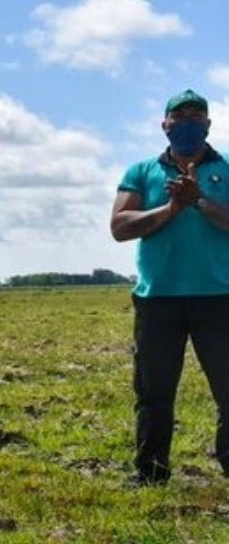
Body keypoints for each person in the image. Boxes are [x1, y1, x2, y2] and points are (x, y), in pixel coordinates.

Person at [111, 89, 229, 487]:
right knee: (154, 393)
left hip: (219, 298)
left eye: (197, 114)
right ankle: (150, 473)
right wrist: (170, 209)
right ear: (164, 125)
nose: (188, 121)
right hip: (157, 299)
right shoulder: (141, 171)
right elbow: (120, 227)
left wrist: (199, 203)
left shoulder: (226, 167)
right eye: (179, 115)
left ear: (209, 124)